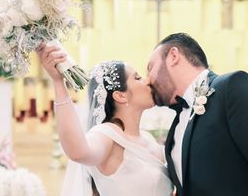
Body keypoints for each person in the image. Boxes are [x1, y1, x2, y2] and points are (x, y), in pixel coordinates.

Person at [147, 32, 248, 196]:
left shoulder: (232, 87)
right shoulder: (178, 123)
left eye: (151, 68)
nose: (148, 80)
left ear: (173, 56)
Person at [37, 43, 173, 196]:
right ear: (120, 95)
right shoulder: (106, 135)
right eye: (138, 78)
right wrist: (58, 83)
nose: (148, 81)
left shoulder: (148, 138)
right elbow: (78, 153)